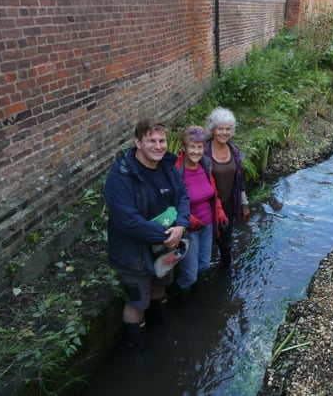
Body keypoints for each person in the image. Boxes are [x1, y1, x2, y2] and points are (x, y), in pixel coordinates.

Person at [104, 119, 189, 355]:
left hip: (166, 246)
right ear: (138, 143)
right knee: (137, 303)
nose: (159, 146)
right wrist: (165, 235)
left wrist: (181, 225)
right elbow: (127, 220)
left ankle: (162, 331)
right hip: (135, 254)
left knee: (160, 287)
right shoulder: (121, 177)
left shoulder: (167, 167)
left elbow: (182, 195)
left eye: (162, 140)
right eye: (152, 140)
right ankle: (138, 351)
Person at [173, 126, 229, 296]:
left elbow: (214, 194)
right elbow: (170, 203)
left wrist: (220, 214)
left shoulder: (205, 164)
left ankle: (194, 294)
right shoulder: (176, 170)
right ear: (184, 148)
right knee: (189, 275)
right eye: (192, 147)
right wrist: (187, 220)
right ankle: (179, 298)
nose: (196, 151)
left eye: (199, 147)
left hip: (207, 225)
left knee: (203, 265)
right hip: (189, 229)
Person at [204, 107, 250, 267]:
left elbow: (239, 180)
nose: (224, 132)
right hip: (207, 206)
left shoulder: (234, 151)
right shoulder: (203, 152)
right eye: (220, 128)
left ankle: (225, 272)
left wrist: (244, 204)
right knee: (207, 241)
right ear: (213, 129)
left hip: (229, 203)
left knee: (226, 241)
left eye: (228, 129)